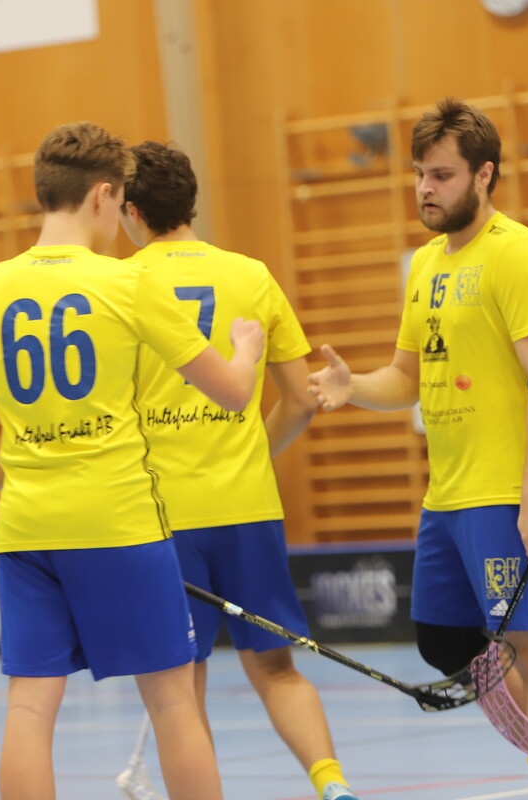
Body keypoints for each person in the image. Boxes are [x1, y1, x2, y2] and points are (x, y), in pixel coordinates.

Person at [0, 121, 264, 800]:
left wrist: (10, 480)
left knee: (28, 709)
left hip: (28, 530)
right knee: (173, 703)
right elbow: (232, 392)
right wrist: (247, 348)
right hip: (119, 523)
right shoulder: (126, 283)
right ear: (103, 196)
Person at [307, 98, 528, 800]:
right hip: (448, 493)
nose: (425, 188)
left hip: (508, 491)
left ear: (484, 175)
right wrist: (352, 386)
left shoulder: (517, 254)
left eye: (442, 175)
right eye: (419, 173)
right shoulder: (425, 264)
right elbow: (407, 378)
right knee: (444, 640)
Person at [119, 141, 357, 800]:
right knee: (277, 671)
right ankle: (333, 785)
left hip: (162, 518)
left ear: (131, 211)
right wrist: (248, 452)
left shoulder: (119, 284)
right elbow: (301, 401)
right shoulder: (251, 275)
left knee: (179, 695)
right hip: (249, 510)